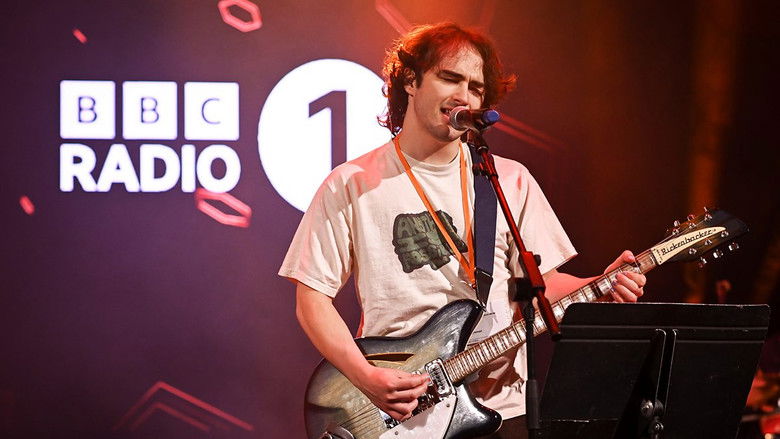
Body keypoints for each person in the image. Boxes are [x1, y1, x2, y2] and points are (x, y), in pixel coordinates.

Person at [280, 22, 646, 438]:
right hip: (399, 412)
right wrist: (366, 378)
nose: (464, 96)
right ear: (410, 81)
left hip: (501, 408)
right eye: (450, 78)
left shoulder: (509, 179)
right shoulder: (352, 183)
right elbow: (312, 300)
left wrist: (598, 285)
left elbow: (539, 285)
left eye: (475, 88)